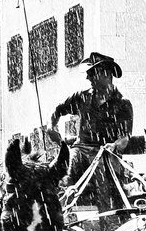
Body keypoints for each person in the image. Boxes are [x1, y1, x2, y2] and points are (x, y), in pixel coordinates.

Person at [48, 52, 134, 220]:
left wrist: (114, 145)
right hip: (81, 148)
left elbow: (125, 138)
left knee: (103, 176)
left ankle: (108, 221)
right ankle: (60, 215)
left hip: (106, 152)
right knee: (65, 168)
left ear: (105, 74)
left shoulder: (123, 104)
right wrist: (51, 126)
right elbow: (57, 110)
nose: (88, 78)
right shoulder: (81, 97)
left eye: (91, 73)